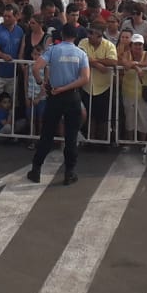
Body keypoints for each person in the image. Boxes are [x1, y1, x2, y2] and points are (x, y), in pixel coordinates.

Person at [28, 26, 90, 186]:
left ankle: (36, 169)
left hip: (54, 95)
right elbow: (85, 78)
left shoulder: (53, 50)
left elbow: (36, 68)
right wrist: (66, 88)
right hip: (72, 96)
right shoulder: (81, 53)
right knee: (71, 136)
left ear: (62, 35)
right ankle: (69, 172)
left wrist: (41, 83)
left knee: (47, 134)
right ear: (76, 37)